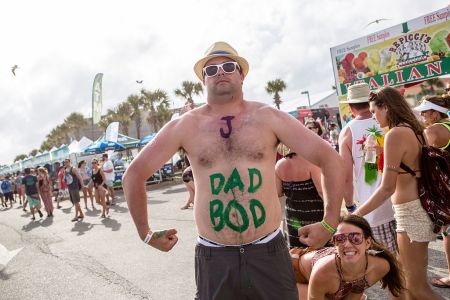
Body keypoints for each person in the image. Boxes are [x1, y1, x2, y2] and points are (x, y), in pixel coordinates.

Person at [123, 41, 344, 300]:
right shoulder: (184, 126)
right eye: (211, 69)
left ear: (241, 74)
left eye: (228, 66)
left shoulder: (268, 117)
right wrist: (146, 234)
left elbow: (330, 159)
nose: (220, 72)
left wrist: (330, 223)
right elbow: (134, 175)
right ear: (203, 80)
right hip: (215, 257)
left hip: (268, 252)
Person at [353, 86, 444, 300]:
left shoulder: (395, 133)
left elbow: (386, 188)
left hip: (410, 214)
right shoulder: (414, 129)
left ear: (386, 107)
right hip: (416, 210)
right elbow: (410, 166)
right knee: (405, 286)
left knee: (417, 289)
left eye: (375, 111)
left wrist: (357, 214)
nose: (374, 117)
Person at [339, 83, 398, 254]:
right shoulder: (390, 121)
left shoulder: (347, 132)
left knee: (386, 261)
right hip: (400, 200)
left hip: (372, 205)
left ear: (351, 107)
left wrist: (350, 206)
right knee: (408, 260)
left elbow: (346, 177)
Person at [290, 215, 404, 299]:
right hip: (292, 272)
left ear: (368, 243)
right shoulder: (323, 272)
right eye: (340, 238)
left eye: (355, 238)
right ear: (335, 244)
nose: (348, 244)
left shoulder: (380, 267)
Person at [413, 94, 450, 289]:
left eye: (425, 112)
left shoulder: (434, 131)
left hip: (446, 189)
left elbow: (419, 156)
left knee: (448, 233)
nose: (422, 116)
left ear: (436, 114)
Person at [275, 147, 324, 248]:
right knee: (318, 252)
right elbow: (321, 191)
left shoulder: (279, 165)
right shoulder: (311, 162)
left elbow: (278, 192)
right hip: (315, 215)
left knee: (296, 251)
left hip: (293, 217)